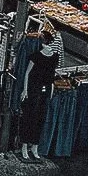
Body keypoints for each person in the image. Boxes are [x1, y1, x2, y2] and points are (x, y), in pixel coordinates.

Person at [19, 30, 59, 161]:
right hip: (34, 89)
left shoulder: (53, 57)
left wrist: (51, 89)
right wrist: (25, 90)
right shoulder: (36, 56)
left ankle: (34, 146)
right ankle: (25, 146)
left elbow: (51, 75)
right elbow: (27, 73)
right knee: (30, 117)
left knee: (40, 118)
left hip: (44, 89)